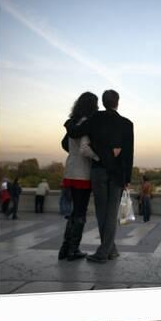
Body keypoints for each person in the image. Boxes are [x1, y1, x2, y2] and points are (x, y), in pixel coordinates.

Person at [65, 89, 134, 263]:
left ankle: (104, 252)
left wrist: (68, 123)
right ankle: (110, 250)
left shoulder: (95, 119)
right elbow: (128, 154)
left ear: (103, 103)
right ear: (117, 102)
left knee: (102, 214)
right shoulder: (127, 124)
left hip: (99, 171)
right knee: (111, 214)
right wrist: (127, 179)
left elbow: (74, 133)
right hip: (118, 174)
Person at [58, 92, 100, 261]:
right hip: (82, 174)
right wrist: (98, 157)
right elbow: (85, 148)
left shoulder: (73, 123)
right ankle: (73, 250)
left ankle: (65, 248)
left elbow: (64, 144)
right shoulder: (86, 124)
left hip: (70, 171)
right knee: (80, 213)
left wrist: (73, 154)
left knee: (73, 213)